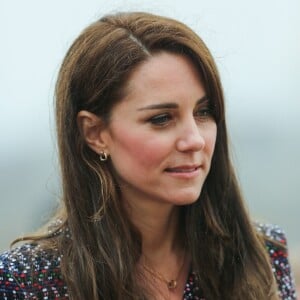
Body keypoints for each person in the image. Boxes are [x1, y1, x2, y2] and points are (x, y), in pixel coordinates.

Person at [0, 12, 297, 300]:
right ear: (95, 133)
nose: (194, 140)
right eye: (161, 119)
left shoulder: (262, 257)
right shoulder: (26, 281)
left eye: (204, 112)